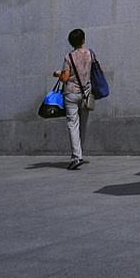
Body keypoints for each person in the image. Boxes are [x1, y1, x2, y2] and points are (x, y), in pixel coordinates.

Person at [53, 29, 93, 171]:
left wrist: (58, 73)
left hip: (71, 94)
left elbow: (65, 78)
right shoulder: (90, 54)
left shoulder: (68, 57)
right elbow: (98, 69)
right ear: (83, 40)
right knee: (82, 125)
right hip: (86, 94)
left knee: (72, 124)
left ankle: (77, 157)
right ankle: (79, 153)